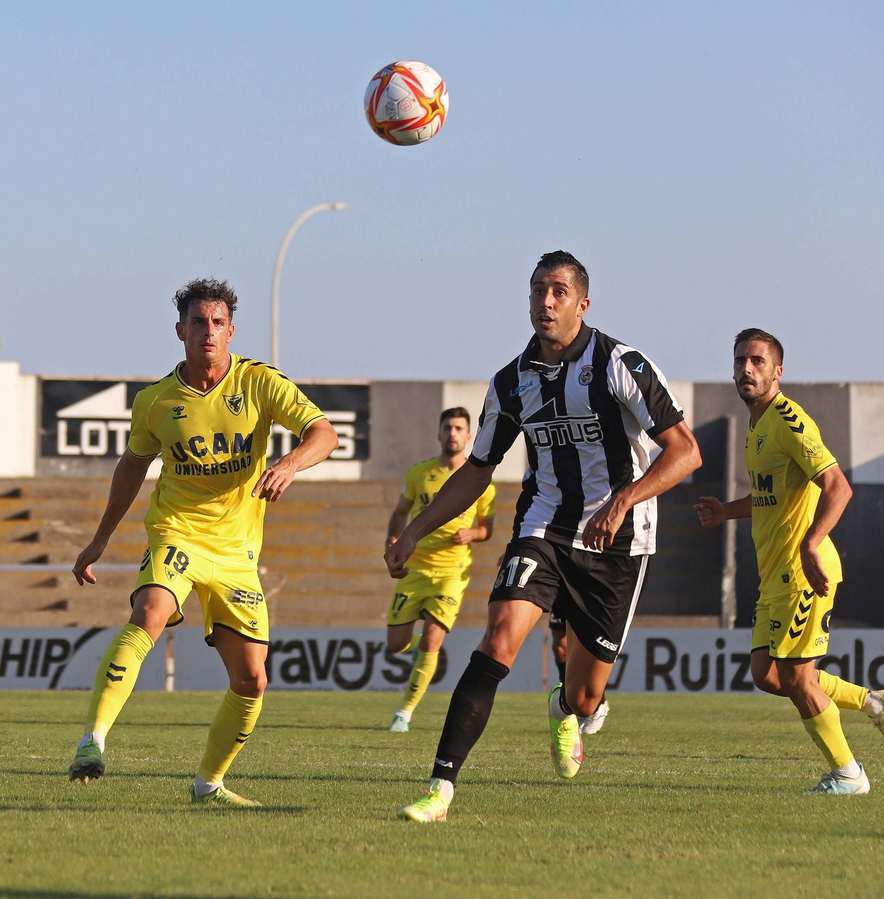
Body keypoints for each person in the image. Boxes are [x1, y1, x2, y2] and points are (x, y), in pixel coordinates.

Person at [389, 251, 702, 823]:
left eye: (558, 291)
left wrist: (625, 500)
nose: (545, 301)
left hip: (618, 542)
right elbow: (478, 469)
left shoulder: (619, 364)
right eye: (537, 290)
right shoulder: (510, 383)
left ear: (583, 304)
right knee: (498, 640)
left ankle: (564, 708)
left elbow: (686, 453)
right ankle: (440, 788)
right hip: (545, 528)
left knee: (585, 698)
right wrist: (414, 531)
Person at [68, 279, 339, 806]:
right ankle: (92, 740)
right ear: (180, 331)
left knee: (252, 680)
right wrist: (101, 539)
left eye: (217, 323)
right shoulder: (155, 401)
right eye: (198, 322)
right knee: (149, 611)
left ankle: (208, 784)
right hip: (178, 531)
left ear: (231, 331)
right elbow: (131, 468)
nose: (208, 332)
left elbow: (324, 434)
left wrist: (287, 465)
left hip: (237, 552)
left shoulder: (258, 383)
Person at [696, 328, 884, 795]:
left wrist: (812, 543)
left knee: (795, 677)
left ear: (777, 370)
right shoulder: (756, 426)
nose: (746, 369)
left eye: (757, 361)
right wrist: (727, 510)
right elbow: (771, 496)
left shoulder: (790, 421)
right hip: (775, 576)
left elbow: (838, 487)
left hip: (803, 572)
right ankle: (875, 703)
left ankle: (849, 774)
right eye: (739, 361)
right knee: (768, 675)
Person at [383, 408, 495, 732]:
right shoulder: (420, 473)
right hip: (415, 567)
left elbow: (488, 527)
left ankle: (404, 713)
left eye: (459, 428)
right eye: (447, 427)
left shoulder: (481, 480)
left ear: (469, 436)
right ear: (439, 433)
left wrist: (473, 533)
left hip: (452, 571)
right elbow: (400, 511)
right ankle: (422, 649)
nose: (453, 433)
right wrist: (393, 536)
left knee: (432, 640)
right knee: (395, 644)